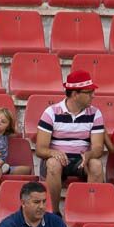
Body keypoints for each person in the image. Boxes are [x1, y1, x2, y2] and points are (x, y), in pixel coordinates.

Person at [36, 70, 106, 212]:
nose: (93, 95)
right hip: (57, 161)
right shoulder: (51, 112)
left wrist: (89, 155)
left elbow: (98, 148)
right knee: (53, 164)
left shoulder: (95, 113)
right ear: (75, 94)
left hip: (81, 161)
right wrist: (53, 152)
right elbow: (40, 149)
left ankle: (89, 212)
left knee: (97, 165)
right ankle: (53, 213)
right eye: (89, 92)